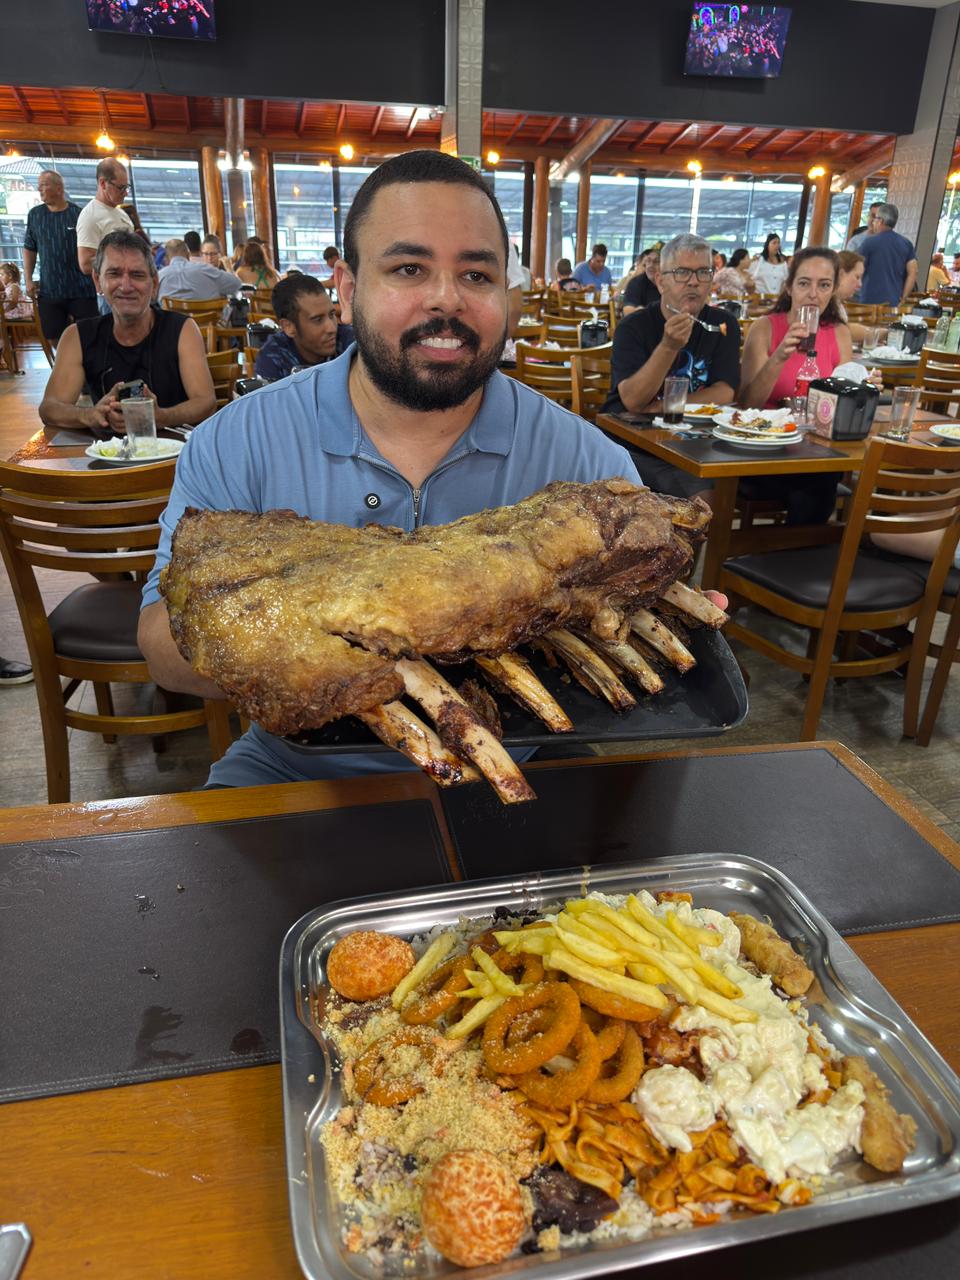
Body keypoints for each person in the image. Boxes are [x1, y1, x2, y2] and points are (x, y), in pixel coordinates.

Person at [136, 149, 663, 789]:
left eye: (477, 275)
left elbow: (631, 627)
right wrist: (326, 642)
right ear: (351, 292)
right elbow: (161, 642)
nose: (446, 300)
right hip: (296, 768)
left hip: (525, 759)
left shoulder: (590, 467)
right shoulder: (237, 440)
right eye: (409, 268)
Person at [603, 232, 739, 503]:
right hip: (633, 446)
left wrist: (667, 405)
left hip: (696, 445)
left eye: (703, 272)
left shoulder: (723, 325)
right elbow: (632, 400)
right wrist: (668, 346)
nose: (693, 281)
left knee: (728, 486)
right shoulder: (634, 327)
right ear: (660, 280)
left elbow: (725, 392)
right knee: (702, 496)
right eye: (682, 272)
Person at [39, 229, 216, 435]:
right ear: (98, 281)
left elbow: (206, 402)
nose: (126, 286)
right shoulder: (77, 336)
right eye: (114, 274)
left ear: (154, 283)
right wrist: (92, 414)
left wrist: (159, 417)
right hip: (109, 459)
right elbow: (49, 408)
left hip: (174, 458)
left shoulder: (182, 329)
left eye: (137, 275)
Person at [738, 247, 855, 524]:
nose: (813, 293)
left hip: (814, 451)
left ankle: (793, 557)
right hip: (764, 452)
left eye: (824, 285)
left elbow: (841, 405)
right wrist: (779, 356)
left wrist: (860, 385)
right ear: (789, 287)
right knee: (817, 489)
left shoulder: (839, 333)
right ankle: (793, 557)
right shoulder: (765, 328)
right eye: (804, 283)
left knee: (820, 480)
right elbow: (747, 404)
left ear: (833, 290)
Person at [22, 169, 98, 343]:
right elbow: (29, 248)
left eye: (44, 185)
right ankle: (65, 366)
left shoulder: (79, 215)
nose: (39, 189)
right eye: (38, 185)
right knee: (53, 337)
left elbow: (91, 250)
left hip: (81, 288)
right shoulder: (35, 215)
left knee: (91, 335)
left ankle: (86, 368)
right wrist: (28, 279)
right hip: (50, 289)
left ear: (59, 188)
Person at [254, 274, 354, 380]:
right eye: (318, 320)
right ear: (288, 327)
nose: (332, 328)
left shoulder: (351, 344)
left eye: (331, 315)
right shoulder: (273, 358)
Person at [75, 158, 134, 282]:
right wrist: (121, 258)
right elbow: (85, 264)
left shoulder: (121, 213)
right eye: (121, 188)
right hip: (110, 288)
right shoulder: (90, 216)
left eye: (126, 187)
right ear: (103, 184)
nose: (125, 193)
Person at [858, 203, 918, 306]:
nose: (873, 222)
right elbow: (913, 272)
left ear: (881, 221)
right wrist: (904, 298)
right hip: (893, 302)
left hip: (869, 301)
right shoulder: (906, 243)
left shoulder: (869, 242)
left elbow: (858, 269)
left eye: (875, 219)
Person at [157, 238, 242, 302]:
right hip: (207, 324)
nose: (209, 258)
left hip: (172, 325)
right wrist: (229, 269)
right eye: (206, 254)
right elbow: (237, 284)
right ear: (188, 255)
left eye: (213, 254)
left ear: (166, 259)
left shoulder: (158, 277)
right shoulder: (207, 270)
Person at [621, 249, 661, 315]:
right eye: (648, 261)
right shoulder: (636, 282)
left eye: (656, 261)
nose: (650, 265)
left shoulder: (671, 283)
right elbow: (627, 311)